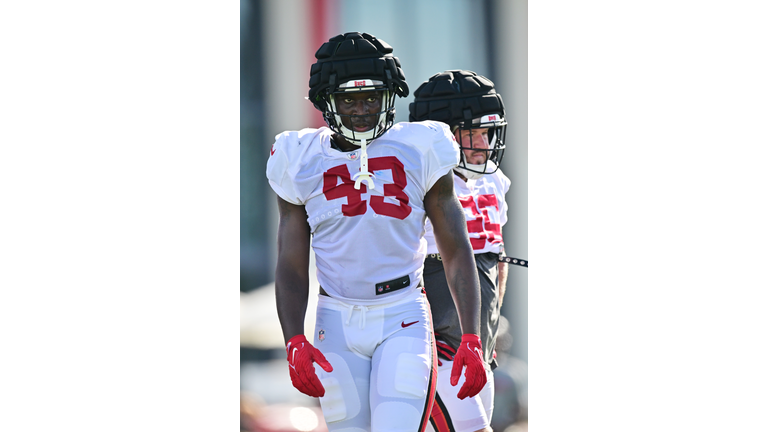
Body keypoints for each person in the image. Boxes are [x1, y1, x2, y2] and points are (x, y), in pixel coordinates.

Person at [265, 33, 488, 432]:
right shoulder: (298, 157)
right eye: (349, 99)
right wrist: (293, 339)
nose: (362, 109)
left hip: (402, 313)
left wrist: (471, 333)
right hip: (334, 319)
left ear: (390, 96)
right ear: (326, 102)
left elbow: (456, 249)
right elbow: (292, 263)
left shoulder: (422, 146)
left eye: (372, 97)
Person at [409, 70, 512, 432]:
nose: (485, 143)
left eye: (488, 132)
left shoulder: (494, 182)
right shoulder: (418, 183)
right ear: (445, 135)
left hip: (479, 344)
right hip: (439, 341)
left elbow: (497, 260)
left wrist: (487, 332)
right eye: (475, 133)